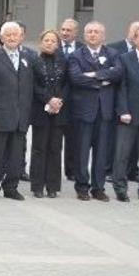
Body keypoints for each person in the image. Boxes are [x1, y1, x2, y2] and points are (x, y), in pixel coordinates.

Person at [0, 22, 34, 200]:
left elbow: (30, 88)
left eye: (15, 34)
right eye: (8, 35)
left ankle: (11, 187)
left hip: (20, 117)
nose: (12, 38)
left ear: (21, 37)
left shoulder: (28, 58)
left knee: (16, 156)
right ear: (1, 37)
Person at [68, 21, 121, 201]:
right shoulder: (76, 55)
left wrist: (93, 75)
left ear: (103, 36)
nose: (92, 34)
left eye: (96, 32)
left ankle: (98, 188)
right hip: (84, 111)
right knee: (82, 152)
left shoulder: (113, 54)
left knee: (102, 153)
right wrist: (103, 79)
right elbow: (76, 78)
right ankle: (82, 187)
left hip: (105, 112)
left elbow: (118, 73)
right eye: (89, 31)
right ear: (84, 35)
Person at [112, 24, 139, 202]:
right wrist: (123, 111)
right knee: (122, 154)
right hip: (128, 116)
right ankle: (120, 188)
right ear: (134, 39)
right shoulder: (124, 58)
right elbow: (121, 87)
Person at [29, 30, 69, 198]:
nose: (49, 43)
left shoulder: (64, 62)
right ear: (41, 43)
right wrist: (48, 99)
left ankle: (52, 186)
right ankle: (37, 186)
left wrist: (59, 100)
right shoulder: (34, 61)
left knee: (55, 148)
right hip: (40, 109)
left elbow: (67, 84)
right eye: (46, 40)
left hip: (59, 110)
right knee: (39, 148)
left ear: (57, 44)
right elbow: (33, 85)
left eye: (53, 41)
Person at [59, 18, 84, 180]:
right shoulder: (53, 46)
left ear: (76, 32)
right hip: (56, 99)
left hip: (76, 100)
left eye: (68, 30)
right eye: (63, 29)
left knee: (74, 138)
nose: (65, 33)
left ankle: (72, 170)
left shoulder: (82, 49)